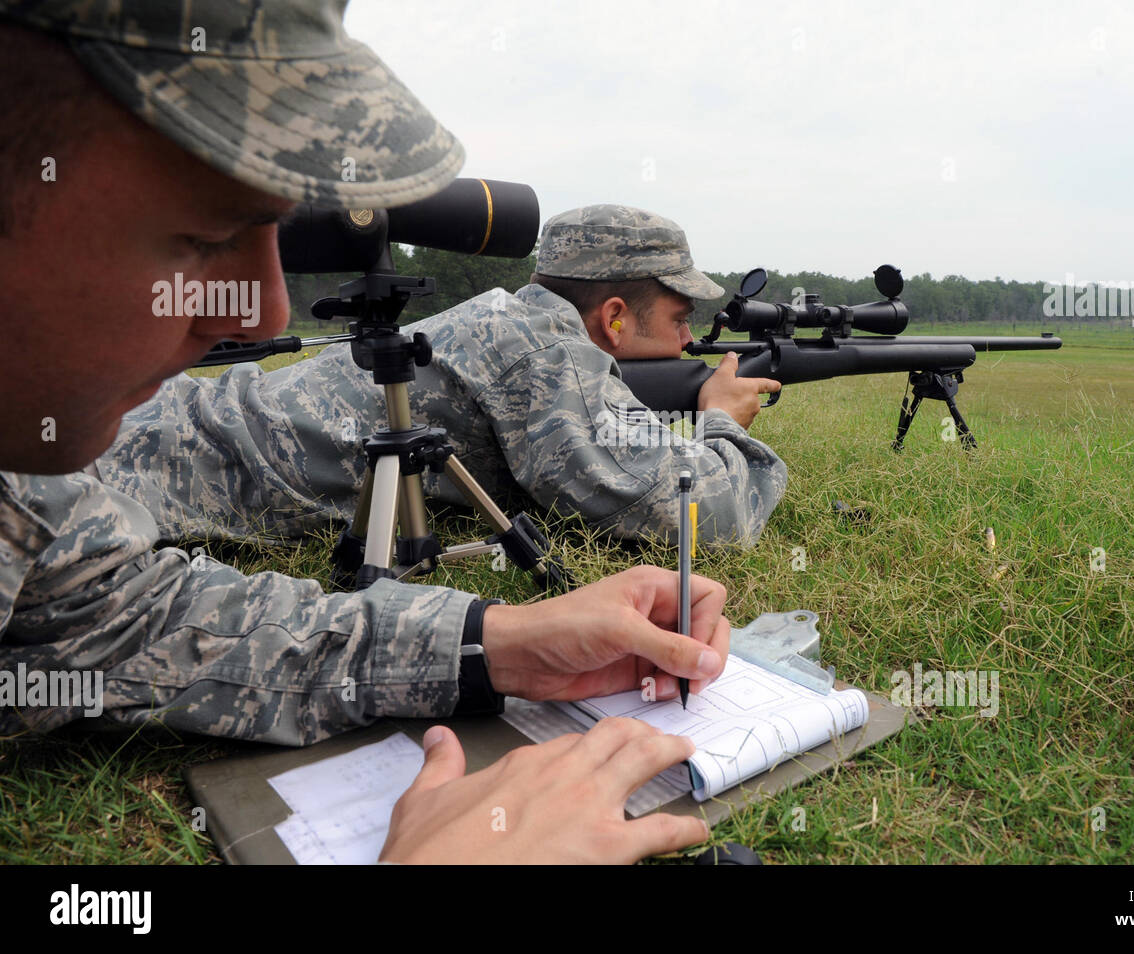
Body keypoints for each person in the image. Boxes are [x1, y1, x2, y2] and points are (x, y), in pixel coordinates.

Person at [0, 0, 719, 863]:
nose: (264, 309)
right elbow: (661, 493)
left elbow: (121, 619)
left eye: (272, 232)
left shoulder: (27, 484)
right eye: (202, 234)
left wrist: (497, 646)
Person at [92, 206, 788, 551]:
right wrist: (720, 417)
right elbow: (700, 518)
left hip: (156, 423)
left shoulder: (511, 320)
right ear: (612, 316)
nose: (689, 336)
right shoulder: (544, 354)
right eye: (676, 313)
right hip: (129, 469)